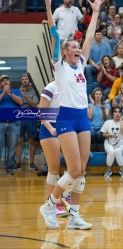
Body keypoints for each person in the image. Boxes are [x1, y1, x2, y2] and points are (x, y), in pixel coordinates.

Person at [40, 0, 104, 229]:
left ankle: (74, 214)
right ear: (66, 51)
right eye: (74, 47)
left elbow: (89, 36)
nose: (79, 49)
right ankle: (49, 205)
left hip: (82, 118)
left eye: (79, 47)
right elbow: (53, 32)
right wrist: (49, 7)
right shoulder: (60, 67)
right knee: (73, 169)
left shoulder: (81, 65)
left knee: (82, 169)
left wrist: (96, 12)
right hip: (65, 116)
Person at [39, 80, 68, 217]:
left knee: (74, 166)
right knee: (54, 168)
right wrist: (51, 129)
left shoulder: (68, 87)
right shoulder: (51, 87)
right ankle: (52, 204)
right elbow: (41, 113)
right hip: (49, 128)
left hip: (65, 126)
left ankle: (64, 197)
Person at [15, 73, 39, 171]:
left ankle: (32, 163)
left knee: (31, 141)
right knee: (19, 141)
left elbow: (34, 105)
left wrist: (25, 96)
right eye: (23, 79)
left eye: (26, 79)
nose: (24, 80)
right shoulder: (17, 91)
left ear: (29, 81)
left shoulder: (34, 91)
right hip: (19, 117)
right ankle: (17, 163)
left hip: (31, 117)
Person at [0, 75, 23, 175]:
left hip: (14, 124)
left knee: (12, 146)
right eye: (3, 81)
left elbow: (21, 102)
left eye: (7, 80)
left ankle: (9, 167)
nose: (5, 82)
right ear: (0, 84)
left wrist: (9, 93)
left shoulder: (16, 91)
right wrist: (3, 94)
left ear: (10, 83)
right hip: (1, 123)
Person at [101, 106, 123, 178]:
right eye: (115, 112)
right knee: (111, 151)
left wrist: (121, 121)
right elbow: (103, 134)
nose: (117, 114)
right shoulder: (108, 122)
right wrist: (110, 135)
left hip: (121, 143)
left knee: (117, 151)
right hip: (109, 143)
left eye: (119, 112)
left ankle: (122, 169)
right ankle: (108, 169)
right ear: (112, 114)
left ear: (121, 114)